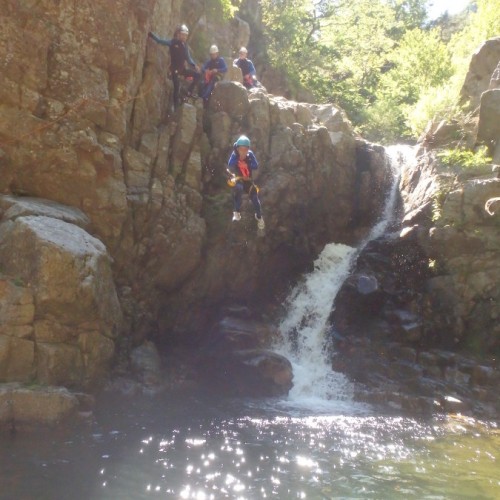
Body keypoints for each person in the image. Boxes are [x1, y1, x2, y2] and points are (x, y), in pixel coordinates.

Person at [148, 24, 201, 109]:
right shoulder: (173, 42)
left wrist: (194, 65)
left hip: (182, 70)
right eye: (183, 35)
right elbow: (160, 41)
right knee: (176, 87)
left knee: (198, 75)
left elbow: (188, 58)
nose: (184, 37)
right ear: (179, 34)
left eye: (185, 35)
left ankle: (189, 92)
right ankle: (176, 108)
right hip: (175, 70)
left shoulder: (185, 46)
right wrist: (151, 35)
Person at [227, 135, 265, 229]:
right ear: (237, 149)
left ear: (248, 149)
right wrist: (237, 157)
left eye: (245, 150)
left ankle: (259, 217)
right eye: (241, 149)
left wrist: (247, 163)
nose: (243, 152)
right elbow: (230, 164)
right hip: (239, 180)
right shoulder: (235, 154)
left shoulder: (250, 154)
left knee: (255, 200)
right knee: (238, 189)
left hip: (248, 181)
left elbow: (255, 166)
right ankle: (236, 212)